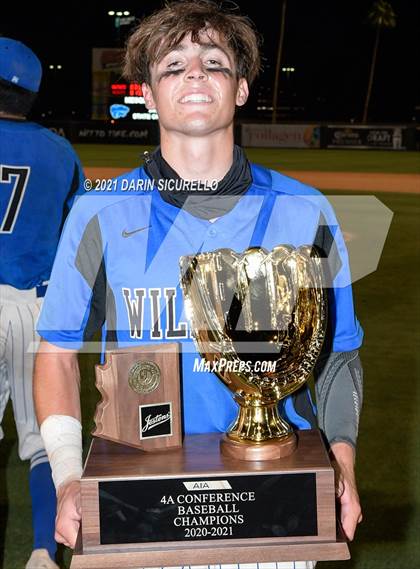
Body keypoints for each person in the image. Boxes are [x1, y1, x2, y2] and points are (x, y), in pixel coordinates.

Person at [34, 1, 363, 567]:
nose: (194, 74)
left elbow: (337, 357)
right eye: (173, 65)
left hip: (272, 490)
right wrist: (67, 476)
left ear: (239, 89)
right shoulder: (98, 212)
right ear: (150, 92)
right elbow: (57, 352)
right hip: (138, 493)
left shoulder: (304, 210)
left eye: (214, 62)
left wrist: (343, 469)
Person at [0, 38, 85, 568]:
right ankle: (41, 553)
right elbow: (77, 239)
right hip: (36, 307)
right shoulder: (60, 151)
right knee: (40, 442)